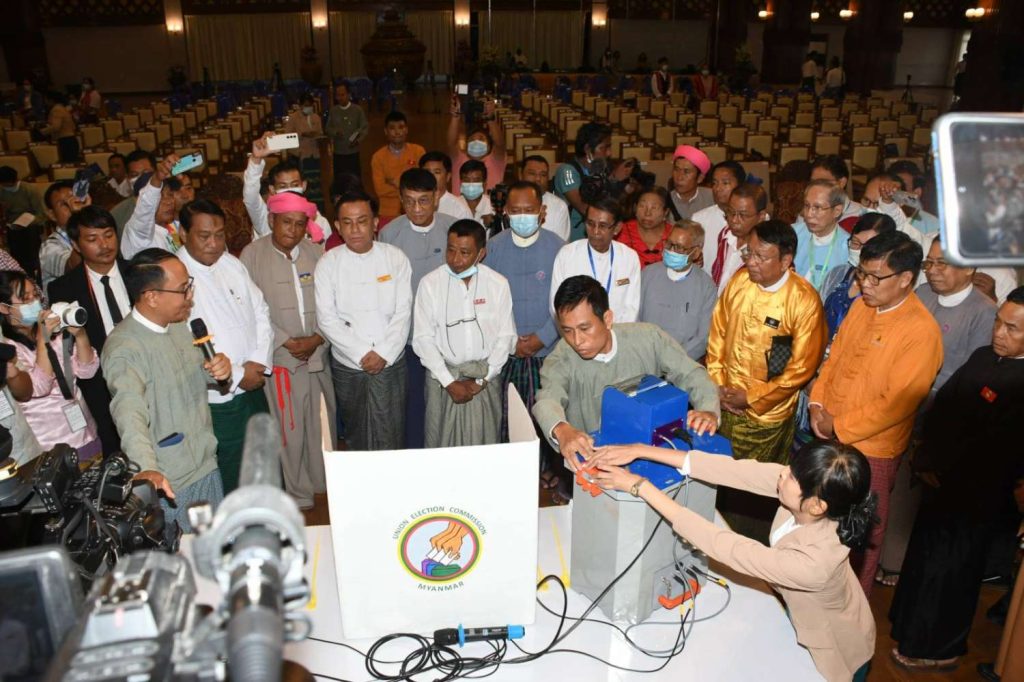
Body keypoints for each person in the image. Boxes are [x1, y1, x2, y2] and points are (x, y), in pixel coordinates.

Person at [589, 440, 876, 682]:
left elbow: (726, 546)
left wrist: (640, 486)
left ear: (816, 505)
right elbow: (735, 470)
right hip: (805, 610)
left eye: (792, 476)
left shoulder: (813, 563)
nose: (782, 472)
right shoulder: (814, 496)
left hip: (833, 647)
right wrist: (640, 450)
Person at [888, 289, 1024, 672]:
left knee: (953, 574)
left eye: (1012, 328)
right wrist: (925, 453)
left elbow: (1001, 447)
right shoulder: (983, 356)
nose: (999, 333)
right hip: (939, 482)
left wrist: (944, 463)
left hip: (977, 496)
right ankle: (908, 628)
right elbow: (943, 404)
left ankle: (940, 649)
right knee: (925, 561)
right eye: (998, 322)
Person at [809, 231, 943, 596]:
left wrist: (837, 424)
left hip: (873, 450)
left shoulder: (921, 332)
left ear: (906, 279)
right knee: (821, 522)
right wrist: (817, 404)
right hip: (829, 432)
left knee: (860, 535)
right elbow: (833, 359)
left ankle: (850, 611)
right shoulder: (861, 307)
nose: (864, 284)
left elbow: (895, 404)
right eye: (862, 274)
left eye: (875, 277)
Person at [875, 234, 997, 586]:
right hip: (895, 405)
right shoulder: (921, 294)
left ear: (970, 268)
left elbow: (971, 378)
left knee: (910, 497)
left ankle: (895, 562)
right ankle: (876, 553)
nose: (933, 270)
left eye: (943, 263)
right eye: (929, 262)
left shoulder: (983, 313)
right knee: (886, 487)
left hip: (938, 417)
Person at [103, 248, 231, 533]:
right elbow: (128, 412)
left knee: (215, 544)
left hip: (205, 461)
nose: (190, 296)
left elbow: (192, 374)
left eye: (189, 286)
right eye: (183, 289)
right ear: (152, 296)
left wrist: (218, 369)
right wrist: (146, 468)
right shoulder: (124, 347)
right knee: (189, 552)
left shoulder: (177, 326)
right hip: (172, 479)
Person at [533, 275, 720, 470]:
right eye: (567, 331)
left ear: (607, 319)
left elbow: (691, 373)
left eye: (584, 328)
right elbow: (547, 399)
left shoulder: (648, 338)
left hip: (649, 455)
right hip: (594, 461)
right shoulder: (562, 358)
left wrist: (708, 409)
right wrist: (561, 429)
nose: (577, 340)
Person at [240, 192, 334, 508]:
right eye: (286, 223)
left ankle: (324, 484)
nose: (292, 230)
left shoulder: (317, 253)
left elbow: (332, 303)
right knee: (290, 428)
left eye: (299, 224)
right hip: (282, 357)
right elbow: (249, 309)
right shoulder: (252, 255)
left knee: (321, 423)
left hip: (317, 354)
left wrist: (318, 337)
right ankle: (298, 491)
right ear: (271, 220)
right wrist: (285, 340)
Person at [177, 199, 273, 494]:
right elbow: (183, 343)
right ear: (183, 234)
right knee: (232, 470)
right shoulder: (175, 276)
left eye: (220, 235)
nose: (214, 244)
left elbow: (261, 311)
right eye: (204, 236)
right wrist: (237, 374)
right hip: (218, 398)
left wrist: (258, 362)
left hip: (254, 382)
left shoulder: (231, 263)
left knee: (264, 460)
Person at [316, 190, 411, 452]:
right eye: (347, 222)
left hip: (390, 360)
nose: (355, 229)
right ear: (337, 226)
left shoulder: (395, 258)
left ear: (375, 222)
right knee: (356, 434)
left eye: (362, 221)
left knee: (391, 433)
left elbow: (403, 312)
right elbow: (327, 318)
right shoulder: (328, 263)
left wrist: (382, 353)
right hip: (348, 364)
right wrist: (361, 353)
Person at [412, 219, 515, 448]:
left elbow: (505, 337)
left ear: (481, 253)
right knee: (442, 446)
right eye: (451, 250)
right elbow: (422, 339)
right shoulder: (430, 284)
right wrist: (449, 382)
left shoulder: (497, 284)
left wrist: (483, 380)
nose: (455, 259)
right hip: (443, 380)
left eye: (465, 253)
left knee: (484, 444)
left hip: (485, 381)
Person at [378, 168, 459, 449]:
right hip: (409, 338)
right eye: (409, 201)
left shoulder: (453, 229)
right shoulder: (389, 234)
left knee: (448, 403)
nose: (417, 209)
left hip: (448, 335)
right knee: (413, 407)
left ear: (436, 198)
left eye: (423, 201)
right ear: (401, 200)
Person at [484, 181, 564, 444]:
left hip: (547, 353)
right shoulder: (493, 247)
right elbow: (486, 302)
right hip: (505, 353)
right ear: (505, 211)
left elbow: (565, 303)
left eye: (529, 210)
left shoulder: (559, 248)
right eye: (516, 211)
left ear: (542, 211)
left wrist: (543, 337)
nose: (522, 217)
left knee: (544, 422)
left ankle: (543, 466)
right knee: (506, 422)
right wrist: (510, 341)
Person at [47, 206, 128, 455]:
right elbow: (68, 350)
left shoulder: (138, 272)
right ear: (76, 245)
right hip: (101, 384)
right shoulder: (63, 289)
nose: (104, 245)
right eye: (93, 239)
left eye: (108, 235)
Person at [0, 271, 101, 460]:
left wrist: (80, 335)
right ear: (4, 307)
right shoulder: (8, 349)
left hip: (86, 430)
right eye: (25, 298)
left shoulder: (53, 331)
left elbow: (87, 371)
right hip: (52, 444)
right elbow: (39, 387)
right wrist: (42, 340)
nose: (34, 302)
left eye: (35, 295)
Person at [550, 198, 641, 323]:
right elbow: (556, 304)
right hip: (577, 331)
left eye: (602, 226)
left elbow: (632, 307)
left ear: (617, 228)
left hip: (618, 331)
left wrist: (612, 333)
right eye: (590, 224)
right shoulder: (567, 255)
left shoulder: (629, 257)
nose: (595, 231)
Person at [638, 220, 716, 360]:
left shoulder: (706, 287)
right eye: (669, 244)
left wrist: (673, 360)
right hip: (644, 356)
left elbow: (703, 337)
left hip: (683, 362)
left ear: (696, 252)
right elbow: (635, 318)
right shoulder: (647, 275)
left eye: (679, 248)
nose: (672, 251)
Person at [820, 213, 897, 342]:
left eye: (867, 246)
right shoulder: (838, 273)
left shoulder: (885, 288)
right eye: (855, 242)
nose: (859, 250)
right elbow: (816, 313)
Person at [245, 134, 332, 244]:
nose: (290, 190)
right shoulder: (266, 219)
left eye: (295, 185)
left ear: (303, 185)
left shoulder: (319, 221)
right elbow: (250, 197)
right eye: (283, 186)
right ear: (272, 189)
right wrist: (256, 159)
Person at [120, 154, 195, 259]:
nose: (168, 202)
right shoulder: (138, 232)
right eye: (160, 196)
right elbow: (146, 204)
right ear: (138, 201)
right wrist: (156, 179)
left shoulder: (172, 227)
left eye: (170, 194)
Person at [554, 122, 612, 241]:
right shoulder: (567, 171)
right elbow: (584, 209)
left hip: (597, 237)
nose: (609, 153)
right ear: (588, 149)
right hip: (572, 239)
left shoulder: (602, 169)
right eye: (604, 148)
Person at [710, 182, 770, 294]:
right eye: (731, 212)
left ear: (761, 216)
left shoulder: (769, 248)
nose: (734, 220)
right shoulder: (725, 234)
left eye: (743, 215)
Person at [694, 161, 747, 284]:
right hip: (706, 286)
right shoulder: (699, 219)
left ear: (740, 186)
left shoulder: (755, 219)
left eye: (725, 183)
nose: (718, 188)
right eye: (714, 183)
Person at [794, 180, 850, 292]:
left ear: (837, 211)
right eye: (807, 205)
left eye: (817, 207)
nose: (809, 214)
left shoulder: (848, 246)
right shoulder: (792, 234)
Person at [371, 111, 426, 223]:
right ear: (386, 131)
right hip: (387, 212)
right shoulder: (378, 157)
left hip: (415, 210)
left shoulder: (418, 152)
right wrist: (408, 185)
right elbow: (380, 189)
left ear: (406, 130)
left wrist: (393, 182)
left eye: (401, 127)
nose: (397, 132)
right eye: (392, 128)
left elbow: (423, 183)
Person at [448, 96, 506, 196]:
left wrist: (490, 119)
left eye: (481, 139)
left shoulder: (495, 161)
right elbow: (451, 143)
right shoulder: (458, 160)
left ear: (489, 146)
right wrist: (455, 117)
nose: (476, 142)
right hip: (459, 205)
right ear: (466, 146)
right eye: (472, 140)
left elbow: (500, 144)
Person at [40, 180, 89, 288]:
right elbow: (73, 267)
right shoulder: (50, 246)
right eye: (64, 204)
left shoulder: (94, 232)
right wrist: (80, 218)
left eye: (75, 200)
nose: (73, 206)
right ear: (52, 215)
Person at [615, 187, 673, 268]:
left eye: (654, 208)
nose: (647, 213)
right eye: (642, 206)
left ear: (665, 212)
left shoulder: (674, 234)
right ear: (635, 208)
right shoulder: (619, 231)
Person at [283, 94, 324, 206]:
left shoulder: (316, 117)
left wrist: (317, 136)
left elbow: (320, 133)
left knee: (316, 181)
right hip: (301, 154)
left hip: (314, 153)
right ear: (301, 105)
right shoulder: (294, 118)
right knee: (304, 180)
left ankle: (318, 205)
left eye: (310, 105)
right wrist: (302, 134)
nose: (308, 107)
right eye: (306, 105)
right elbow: (288, 136)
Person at [519, 155, 571, 241]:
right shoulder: (509, 202)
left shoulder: (559, 206)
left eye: (543, 175)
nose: (538, 179)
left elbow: (561, 244)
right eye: (532, 173)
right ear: (521, 176)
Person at [325, 81, 369, 180]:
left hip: (353, 152)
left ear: (349, 95)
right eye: (338, 95)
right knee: (340, 179)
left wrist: (358, 140)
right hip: (338, 153)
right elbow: (328, 129)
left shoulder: (357, 110)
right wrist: (335, 132)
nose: (340, 98)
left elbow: (364, 127)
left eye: (342, 95)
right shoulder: (333, 111)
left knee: (354, 179)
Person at [887, 160, 940, 236]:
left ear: (917, 193)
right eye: (891, 186)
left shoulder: (933, 225)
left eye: (902, 187)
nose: (894, 191)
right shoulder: (880, 217)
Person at [110, 150, 157, 235]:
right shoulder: (118, 214)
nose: (142, 179)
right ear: (128, 179)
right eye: (134, 175)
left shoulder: (169, 204)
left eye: (146, 173)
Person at [419, 151, 473, 220]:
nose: (431, 176)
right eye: (427, 172)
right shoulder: (413, 204)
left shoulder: (459, 209)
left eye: (437, 172)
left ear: (448, 176)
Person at [667, 145, 715, 221]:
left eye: (686, 172)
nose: (679, 177)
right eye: (676, 170)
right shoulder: (663, 200)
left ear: (700, 178)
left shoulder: (713, 198)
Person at [39, 92, 79, 164]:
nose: (45, 102)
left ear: (51, 100)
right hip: (70, 140)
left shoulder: (56, 109)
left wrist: (42, 132)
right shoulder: (62, 108)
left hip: (65, 142)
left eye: (45, 100)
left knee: (67, 165)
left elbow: (56, 127)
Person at [454, 159, 494, 225]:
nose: (471, 184)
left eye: (476, 180)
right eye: (466, 180)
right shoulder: (453, 205)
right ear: (461, 182)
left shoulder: (493, 207)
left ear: (484, 183)